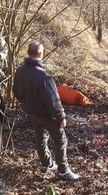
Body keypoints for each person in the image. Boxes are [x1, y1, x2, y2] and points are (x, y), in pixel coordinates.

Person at [13, 40, 80, 181]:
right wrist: (61, 118)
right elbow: (53, 102)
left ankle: (47, 164)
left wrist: (26, 104)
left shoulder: (20, 71)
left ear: (27, 53)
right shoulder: (43, 77)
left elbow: (16, 92)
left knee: (40, 136)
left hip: (32, 112)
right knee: (61, 140)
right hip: (46, 115)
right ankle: (63, 171)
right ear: (40, 54)